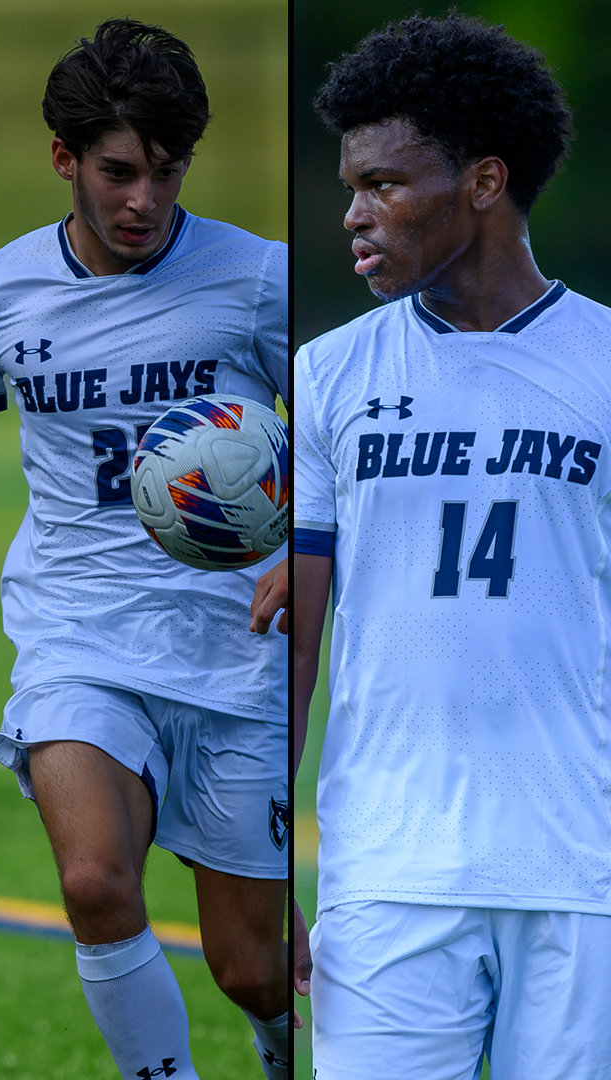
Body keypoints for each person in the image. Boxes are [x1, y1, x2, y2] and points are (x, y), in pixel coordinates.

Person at [282, 12, 611, 1075]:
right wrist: (256, 863)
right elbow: (297, 640)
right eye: (350, 186)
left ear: (482, 182)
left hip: (584, 875)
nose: (355, 214)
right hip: (387, 868)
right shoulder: (329, 374)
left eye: (384, 183)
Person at [0, 20, 291, 1080]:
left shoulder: (256, 282)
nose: (142, 200)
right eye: (117, 171)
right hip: (81, 638)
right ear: (65, 159)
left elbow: (344, 430)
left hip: (237, 651)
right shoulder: (0, 298)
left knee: (252, 968)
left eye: (167, 172)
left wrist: (309, 542)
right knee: (96, 883)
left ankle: (283, 1044)